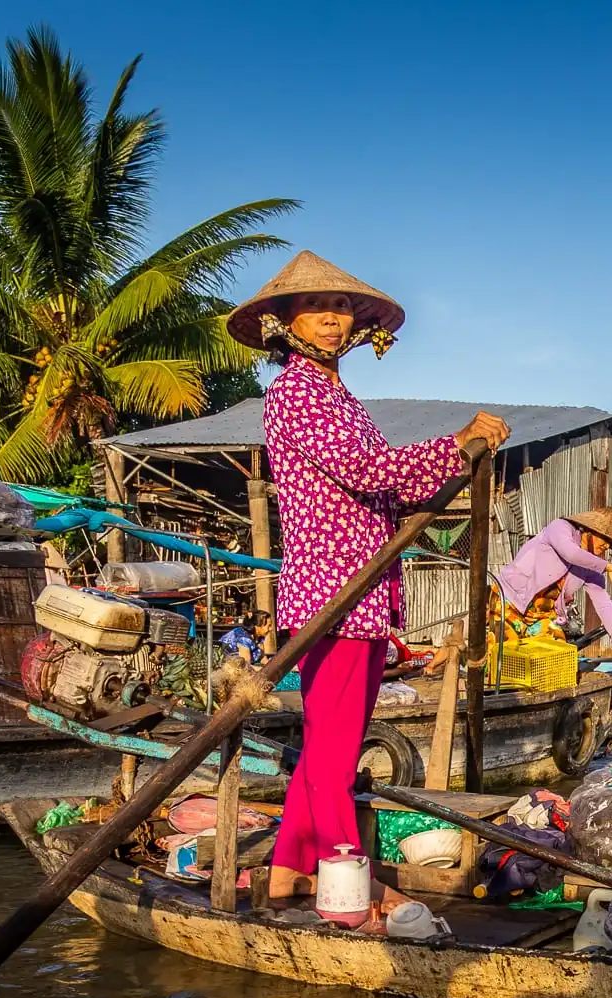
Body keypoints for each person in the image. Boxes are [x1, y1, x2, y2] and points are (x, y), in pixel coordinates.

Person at [228, 250, 510, 911]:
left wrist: (454, 459)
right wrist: (456, 442)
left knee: (331, 743)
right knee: (331, 751)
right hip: (335, 591)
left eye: (343, 309)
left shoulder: (336, 395)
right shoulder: (296, 392)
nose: (333, 319)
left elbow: (378, 481)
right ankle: (349, 887)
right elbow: (366, 471)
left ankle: (290, 870)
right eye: (317, 308)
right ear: (284, 324)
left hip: (362, 590)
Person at [493, 509, 612, 645]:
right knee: (504, 657)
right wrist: (607, 566)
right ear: (590, 531)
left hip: (542, 615)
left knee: (557, 653)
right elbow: (571, 553)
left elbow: (603, 603)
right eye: (605, 539)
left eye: (610, 543)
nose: (607, 546)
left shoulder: (591, 565)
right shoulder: (561, 527)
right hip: (509, 600)